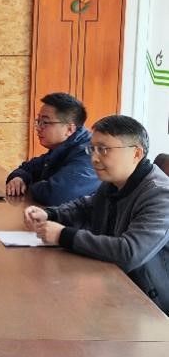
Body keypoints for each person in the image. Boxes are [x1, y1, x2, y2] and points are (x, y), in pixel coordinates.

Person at [24, 115, 169, 314]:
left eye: (104, 149)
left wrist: (62, 235)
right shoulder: (114, 183)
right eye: (92, 149)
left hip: (151, 307)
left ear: (136, 153)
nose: (94, 158)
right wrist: (49, 214)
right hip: (110, 286)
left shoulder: (161, 195)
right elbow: (84, 207)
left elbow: (129, 252)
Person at [6, 92, 99, 205]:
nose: (38, 128)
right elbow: (28, 168)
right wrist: (19, 178)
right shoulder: (62, 147)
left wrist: (29, 185)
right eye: (38, 121)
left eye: (45, 122)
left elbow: (56, 195)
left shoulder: (89, 154)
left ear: (69, 129)